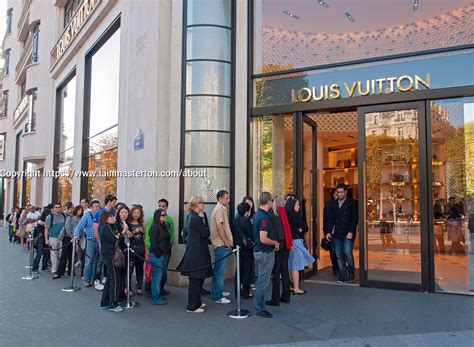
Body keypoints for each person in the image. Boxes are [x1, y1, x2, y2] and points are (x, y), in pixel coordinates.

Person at [178, 196, 213, 313]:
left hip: (197, 251)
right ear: (194, 205)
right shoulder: (195, 218)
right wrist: (203, 222)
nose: (202, 205)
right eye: (200, 203)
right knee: (195, 280)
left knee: (198, 278)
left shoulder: (195, 217)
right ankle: (192, 306)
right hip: (197, 252)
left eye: (203, 202)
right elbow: (206, 233)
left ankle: (196, 302)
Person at [252, 192, 279, 318]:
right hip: (264, 252)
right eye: (271, 201)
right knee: (263, 282)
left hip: (261, 251)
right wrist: (275, 242)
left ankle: (259, 306)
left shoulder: (257, 215)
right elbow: (263, 239)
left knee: (262, 281)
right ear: (269, 202)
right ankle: (259, 308)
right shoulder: (263, 217)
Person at [325, 184, 358, 283]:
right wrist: (328, 231)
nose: (339, 194)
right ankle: (342, 276)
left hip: (348, 233)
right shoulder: (333, 204)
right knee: (339, 255)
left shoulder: (352, 203)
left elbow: (354, 219)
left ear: (346, 192)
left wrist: (351, 231)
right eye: (338, 192)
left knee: (347, 253)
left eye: (341, 192)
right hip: (337, 233)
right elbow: (331, 219)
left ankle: (351, 273)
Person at [145, 198, 175, 296]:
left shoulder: (168, 220)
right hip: (157, 253)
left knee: (163, 273)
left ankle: (160, 289)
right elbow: (149, 236)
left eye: (163, 206)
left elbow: (172, 233)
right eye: (159, 206)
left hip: (166, 251)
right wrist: (152, 250)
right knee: (154, 274)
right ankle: (152, 292)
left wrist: (170, 244)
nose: (161, 208)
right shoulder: (152, 221)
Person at [285, 196, 315, 294]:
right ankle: (296, 288)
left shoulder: (286, 215)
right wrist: (300, 229)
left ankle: (291, 284)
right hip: (296, 242)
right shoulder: (295, 215)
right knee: (296, 266)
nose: (299, 206)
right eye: (297, 205)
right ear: (293, 205)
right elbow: (305, 227)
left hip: (289, 242)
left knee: (290, 265)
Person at [266, 201, 293, 306]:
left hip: (276, 244)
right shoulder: (281, 210)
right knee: (284, 271)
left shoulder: (268, 213)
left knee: (276, 272)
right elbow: (286, 227)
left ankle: (275, 299)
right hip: (285, 242)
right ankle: (286, 296)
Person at [210, 190, 233, 304]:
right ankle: (217, 296)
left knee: (220, 270)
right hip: (220, 243)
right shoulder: (219, 209)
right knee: (219, 270)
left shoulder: (221, 208)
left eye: (228, 198)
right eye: (226, 198)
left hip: (220, 243)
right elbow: (220, 227)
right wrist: (225, 242)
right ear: (220, 198)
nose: (228, 200)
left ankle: (218, 291)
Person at [99, 210, 125, 312]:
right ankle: (113, 304)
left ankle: (104, 302)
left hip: (114, 254)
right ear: (106, 218)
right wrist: (122, 232)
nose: (114, 218)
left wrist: (120, 234)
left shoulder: (113, 226)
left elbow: (120, 238)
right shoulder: (105, 227)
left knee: (111, 278)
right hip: (110, 256)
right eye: (111, 217)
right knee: (115, 279)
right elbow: (115, 238)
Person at [74, 199, 101, 287]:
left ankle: (96, 279)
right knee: (89, 261)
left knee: (99, 262)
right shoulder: (87, 216)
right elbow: (79, 226)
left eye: (99, 206)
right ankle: (86, 279)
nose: (98, 208)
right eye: (96, 207)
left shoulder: (102, 216)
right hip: (91, 241)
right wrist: (76, 235)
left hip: (100, 241)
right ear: (91, 207)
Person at [93, 195, 117, 290]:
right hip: (102, 241)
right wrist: (99, 241)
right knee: (99, 261)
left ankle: (106, 278)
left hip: (111, 242)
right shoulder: (99, 212)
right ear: (109, 201)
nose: (115, 204)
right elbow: (95, 228)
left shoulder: (114, 212)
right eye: (114, 201)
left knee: (109, 262)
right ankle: (96, 279)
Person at [149, 209, 172, 305]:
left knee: (161, 274)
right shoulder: (154, 227)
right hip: (158, 255)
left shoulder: (165, 225)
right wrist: (159, 254)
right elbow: (154, 243)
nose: (164, 216)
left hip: (165, 254)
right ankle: (155, 297)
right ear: (157, 215)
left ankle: (159, 292)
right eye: (162, 215)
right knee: (157, 277)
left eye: (165, 214)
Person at [231, 202, 254, 299]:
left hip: (237, 247)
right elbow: (251, 234)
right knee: (246, 271)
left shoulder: (235, 220)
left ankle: (237, 291)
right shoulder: (246, 221)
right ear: (246, 211)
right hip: (246, 248)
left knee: (239, 269)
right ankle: (245, 292)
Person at [57, 205, 83, 277]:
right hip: (68, 238)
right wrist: (73, 237)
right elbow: (67, 229)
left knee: (72, 256)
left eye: (81, 210)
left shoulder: (82, 219)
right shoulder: (70, 217)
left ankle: (71, 271)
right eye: (78, 210)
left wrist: (77, 237)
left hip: (76, 239)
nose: (80, 212)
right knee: (64, 255)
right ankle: (60, 272)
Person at [44, 203, 67, 279]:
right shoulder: (50, 217)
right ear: (53, 208)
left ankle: (62, 268)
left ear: (61, 208)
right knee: (53, 254)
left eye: (59, 207)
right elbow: (46, 228)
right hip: (53, 237)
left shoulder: (64, 216)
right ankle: (54, 269)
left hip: (62, 237)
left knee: (62, 253)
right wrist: (46, 239)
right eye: (56, 207)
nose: (57, 208)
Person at [115, 205, 132, 300]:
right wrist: (124, 230)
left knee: (125, 272)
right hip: (119, 251)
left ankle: (124, 291)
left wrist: (129, 232)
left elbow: (131, 235)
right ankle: (119, 293)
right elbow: (118, 236)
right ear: (119, 213)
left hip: (127, 250)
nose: (124, 214)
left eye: (126, 212)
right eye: (122, 212)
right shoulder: (116, 223)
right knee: (119, 272)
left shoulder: (128, 222)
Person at [129, 205, 146, 295]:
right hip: (131, 250)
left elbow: (145, 237)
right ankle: (129, 288)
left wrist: (143, 231)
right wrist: (133, 232)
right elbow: (127, 236)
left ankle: (139, 286)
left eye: (138, 213)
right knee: (130, 270)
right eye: (134, 212)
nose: (136, 214)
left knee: (140, 270)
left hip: (141, 249)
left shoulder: (142, 223)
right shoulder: (128, 223)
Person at [323, 190, 338, 274]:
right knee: (332, 252)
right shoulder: (328, 205)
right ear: (333, 195)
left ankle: (341, 267)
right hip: (331, 232)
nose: (338, 195)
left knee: (341, 252)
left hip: (341, 232)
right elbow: (325, 219)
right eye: (336, 194)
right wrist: (325, 232)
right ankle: (335, 267)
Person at [32, 207, 51, 273]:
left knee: (46, 253)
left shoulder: (49, 219)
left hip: (47, 237)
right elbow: (41, 222)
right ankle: (35, 267)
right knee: (39, 253)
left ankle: (44, 266)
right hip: (40, 238)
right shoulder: (40, 220)